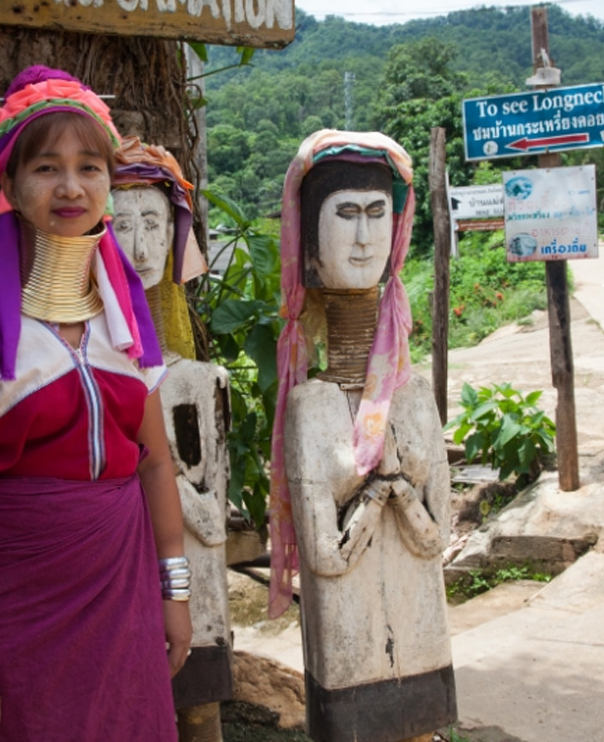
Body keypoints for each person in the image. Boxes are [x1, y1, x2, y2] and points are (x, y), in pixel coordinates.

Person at [0, 65, 191, 742]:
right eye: (46, 168)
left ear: (107, 187)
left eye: (90, 167)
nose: (70, 186)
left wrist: (174, 595)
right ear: (7, 185)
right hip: (20, 604)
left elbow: (153, 466)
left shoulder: (125, 324)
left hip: (122, 596)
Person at [271, 130, 456, 742]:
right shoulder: (311, 406)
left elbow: (440, 539)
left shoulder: (412, 393)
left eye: (378, 214)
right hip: (347, 639)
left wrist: (383, 491)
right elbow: (322, 556)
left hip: (421, 629)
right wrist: (389, 489)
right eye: (345, 214)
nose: (363, 236)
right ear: (311, 247)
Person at [111, 138, 234, 724]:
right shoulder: (88, 370)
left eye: (154, 225)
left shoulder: (201, 383)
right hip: (113, 591)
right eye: (122, 225)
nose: (139, 247)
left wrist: (151, 474)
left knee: (197, 717)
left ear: (174, 235)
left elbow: (214, 519)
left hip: (198, 598)